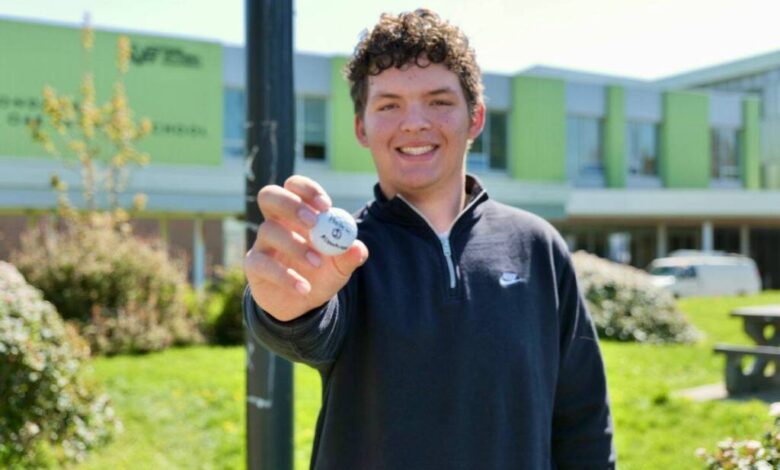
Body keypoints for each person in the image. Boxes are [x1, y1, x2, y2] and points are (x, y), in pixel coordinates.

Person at [244, 8, 615, 469]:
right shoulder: (346, 257)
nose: (415, 122)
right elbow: (307, 329)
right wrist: (285, 310)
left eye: (439, 101)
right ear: (362, 127)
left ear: (475, 119)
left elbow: (583, 421)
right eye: (388, 105)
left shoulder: (537, 246)